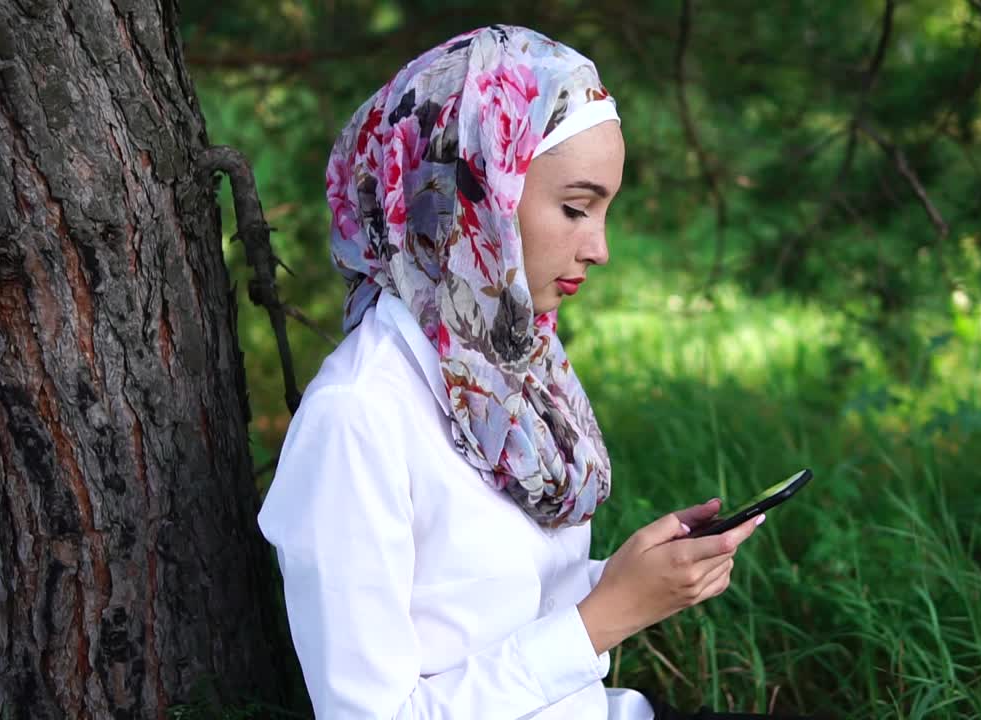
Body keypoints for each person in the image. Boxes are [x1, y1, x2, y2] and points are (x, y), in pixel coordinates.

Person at [257, 25, 811, 720]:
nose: (600, 248)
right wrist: (605, 618)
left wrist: (630, 578)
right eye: (576, 208)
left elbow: (491, 608)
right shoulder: (358, 417)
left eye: (605, 210)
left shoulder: (508, 368)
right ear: (471, 195)